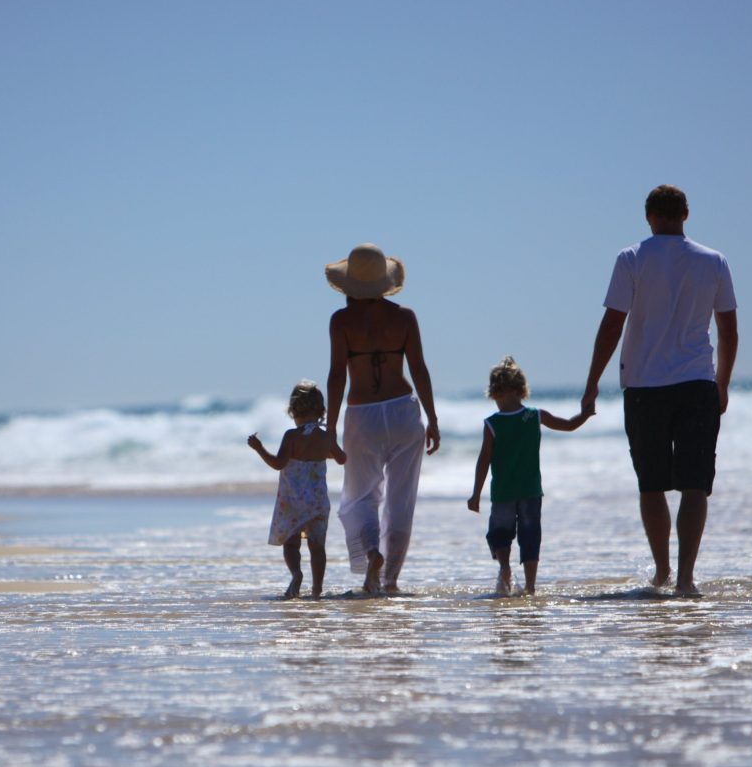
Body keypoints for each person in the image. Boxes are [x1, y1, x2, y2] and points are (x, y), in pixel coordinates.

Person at [580, 185, 739, 596]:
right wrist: (722, 383)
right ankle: (686, 578)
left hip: (644, 386)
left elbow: (612, 325)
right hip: (697, 383)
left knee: (650, 484)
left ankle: (662, 571)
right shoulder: (714, 261)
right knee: (695, 484)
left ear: (648, 216)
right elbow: (728, 331)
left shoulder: (632, 258)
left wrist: (592, 381)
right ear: (686, 213)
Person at [324, 243, 440, 596]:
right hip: (404, 410)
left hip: (362, 414)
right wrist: (433, 418)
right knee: (401, 500)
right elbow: (418, 368)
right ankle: (389, 580)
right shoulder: (404, 317)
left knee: (359, 497)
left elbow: (336, 376)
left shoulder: (341, 321)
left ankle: (373, 555)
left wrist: (330, 429)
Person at [467, 356, 592, 596]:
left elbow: (483, 461)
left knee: (500, 534)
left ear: (496, 393)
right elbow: (567, 425)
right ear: (521, 390)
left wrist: (475, 494)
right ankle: (530, 586)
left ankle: (505, 567)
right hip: (530, 492)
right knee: (530, 536)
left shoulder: (492, 423)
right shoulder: (534, 416)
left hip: (503, 492)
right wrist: (584, 415)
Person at [248, 381, 347, 599]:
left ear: (293, 410)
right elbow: (342, 459)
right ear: (321, 411)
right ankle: (317, 590)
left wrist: (259, 448)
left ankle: (296, 574)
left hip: (292, 502)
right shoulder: (326, 436)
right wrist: (327, 449)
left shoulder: (291, 436)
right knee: (317, 546)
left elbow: (278, 464)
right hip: (318, 502)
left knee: (291, 544)